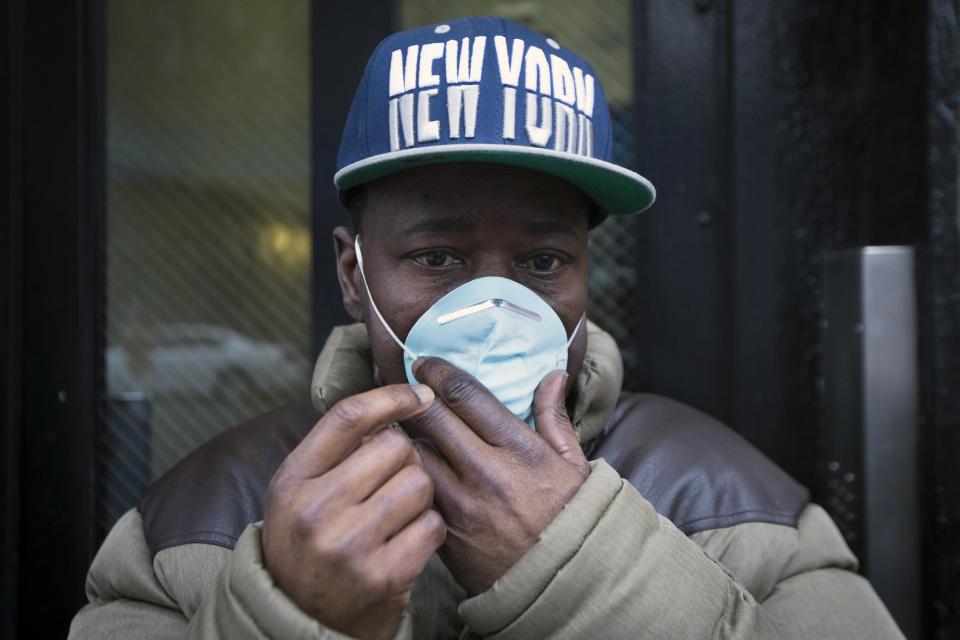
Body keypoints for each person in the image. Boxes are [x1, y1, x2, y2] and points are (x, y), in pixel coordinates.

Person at [70, 16, 904, 639]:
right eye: (437, 256)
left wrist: (582, 572)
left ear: (585, 271)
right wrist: (285, 613)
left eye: (544, 262)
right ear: (354, 273)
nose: (497, 309)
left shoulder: (736, 507)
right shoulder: (192, 525)